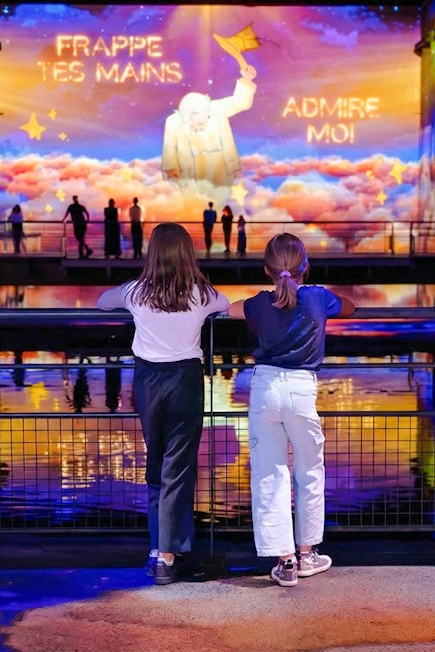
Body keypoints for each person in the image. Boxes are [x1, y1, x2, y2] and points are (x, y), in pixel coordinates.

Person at [97, 223, 229, 585]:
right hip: (184, 381)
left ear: (152, 253)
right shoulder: (201, 294)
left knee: (156, 464)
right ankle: (169, 555)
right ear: (187, 254)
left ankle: (160, 549)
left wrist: (130, 293)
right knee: (177, 467)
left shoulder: (136, 292)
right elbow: (226, 304)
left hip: (147, 381)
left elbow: (102, 301)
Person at [228, 233, 355, 587]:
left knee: (270, 473)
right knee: (309, 470)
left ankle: (284, 562)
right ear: (306, 266)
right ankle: (308, 554)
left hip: (266, 389)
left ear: (266, 269)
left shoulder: (259, 304)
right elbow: (350, 307)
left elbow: (231, 309)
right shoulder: (317, 298)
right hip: (302, 390)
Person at [162, 65, 258, 204]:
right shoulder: (174, 121)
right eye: (197, 116)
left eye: (206, 115)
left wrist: (246, 80)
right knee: (195, 205)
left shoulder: (217, 109)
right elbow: (169, 148)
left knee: (221, 203)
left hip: (220, 169)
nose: (203, 120)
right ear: (187, 115)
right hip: (191, 173)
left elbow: (240, 102)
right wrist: (170, 171)